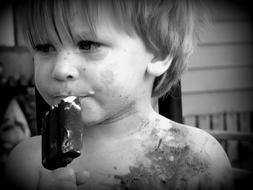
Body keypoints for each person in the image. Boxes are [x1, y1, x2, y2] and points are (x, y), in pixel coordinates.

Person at [4, 0, 234, 189]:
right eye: (44, 48)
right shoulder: (29, 163)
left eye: (88, 45)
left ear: (158, 55)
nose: (60, 70)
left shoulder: (199, 157)